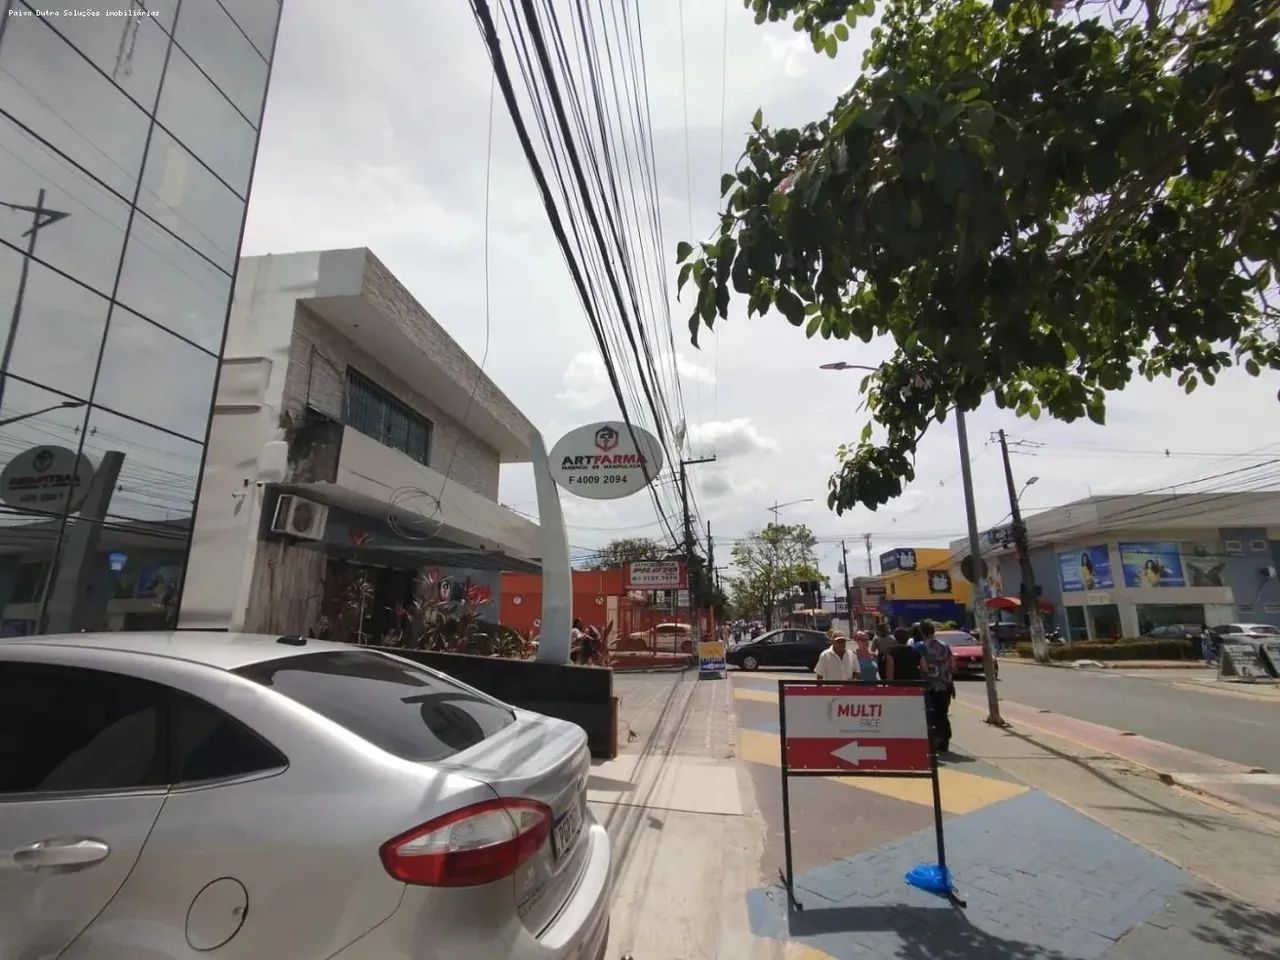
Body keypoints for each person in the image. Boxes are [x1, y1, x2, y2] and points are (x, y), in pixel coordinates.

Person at [920, 621, 956, 754]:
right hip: (946, 685)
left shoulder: (923, 647)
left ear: (922, 633)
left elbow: (923, 667)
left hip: (931, 686)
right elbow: (952, 666)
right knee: (943, 713)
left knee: (933, 714)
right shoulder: (945, 646)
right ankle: (945, 741)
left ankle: (937, 740)